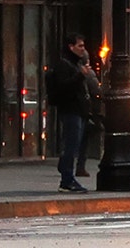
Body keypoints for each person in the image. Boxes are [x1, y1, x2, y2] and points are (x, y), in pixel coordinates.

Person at [46, 34, 93, 193]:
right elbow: (64, 87)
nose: (83, 49)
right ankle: (67, 180)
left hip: (78, 110)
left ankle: (66, 172)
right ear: (70, 47)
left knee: (74, 144)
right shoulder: (64, 65)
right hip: (70, 110)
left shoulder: (75, 63)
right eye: (79, 46)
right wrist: (80, 76)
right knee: (71, 145)